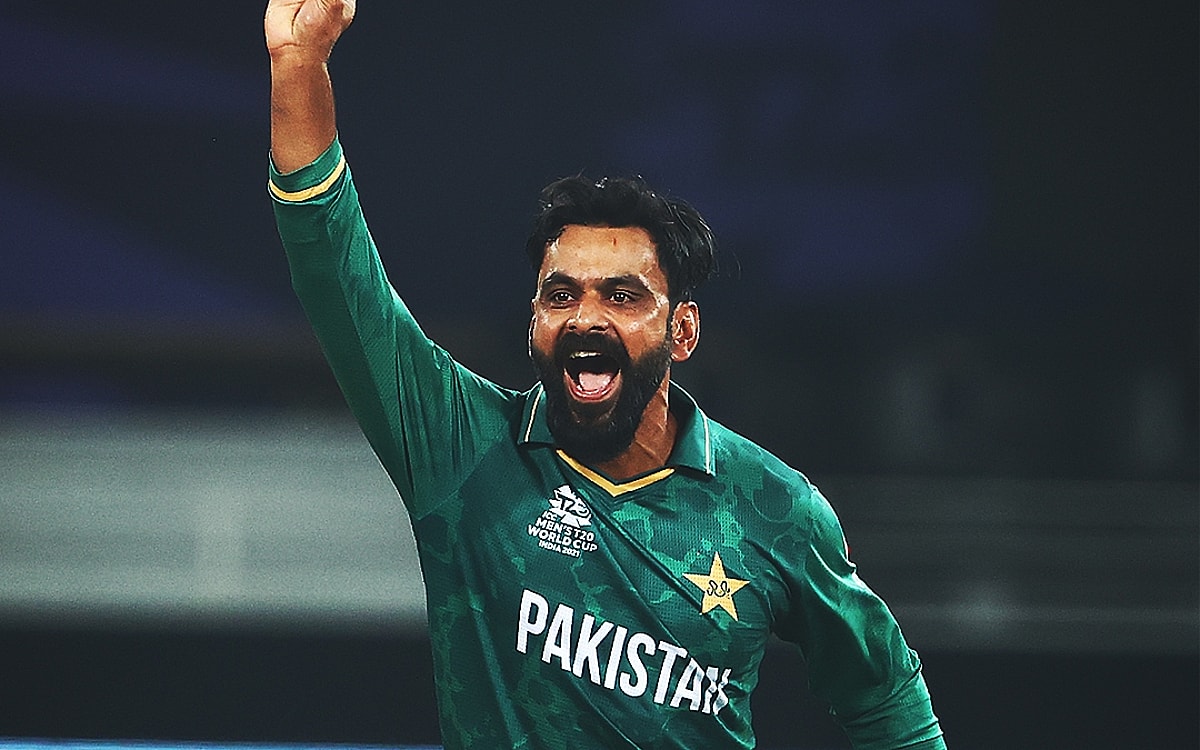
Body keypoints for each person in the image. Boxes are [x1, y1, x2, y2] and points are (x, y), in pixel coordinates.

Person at [265, 1, 945, 748]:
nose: (585, 318)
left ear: (682, 331)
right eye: (561, 295)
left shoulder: (773, 506)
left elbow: (885, 696)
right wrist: (298, 64)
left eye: (622, 296)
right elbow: (337, 276)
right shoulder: (464, 449)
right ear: (534, 319)